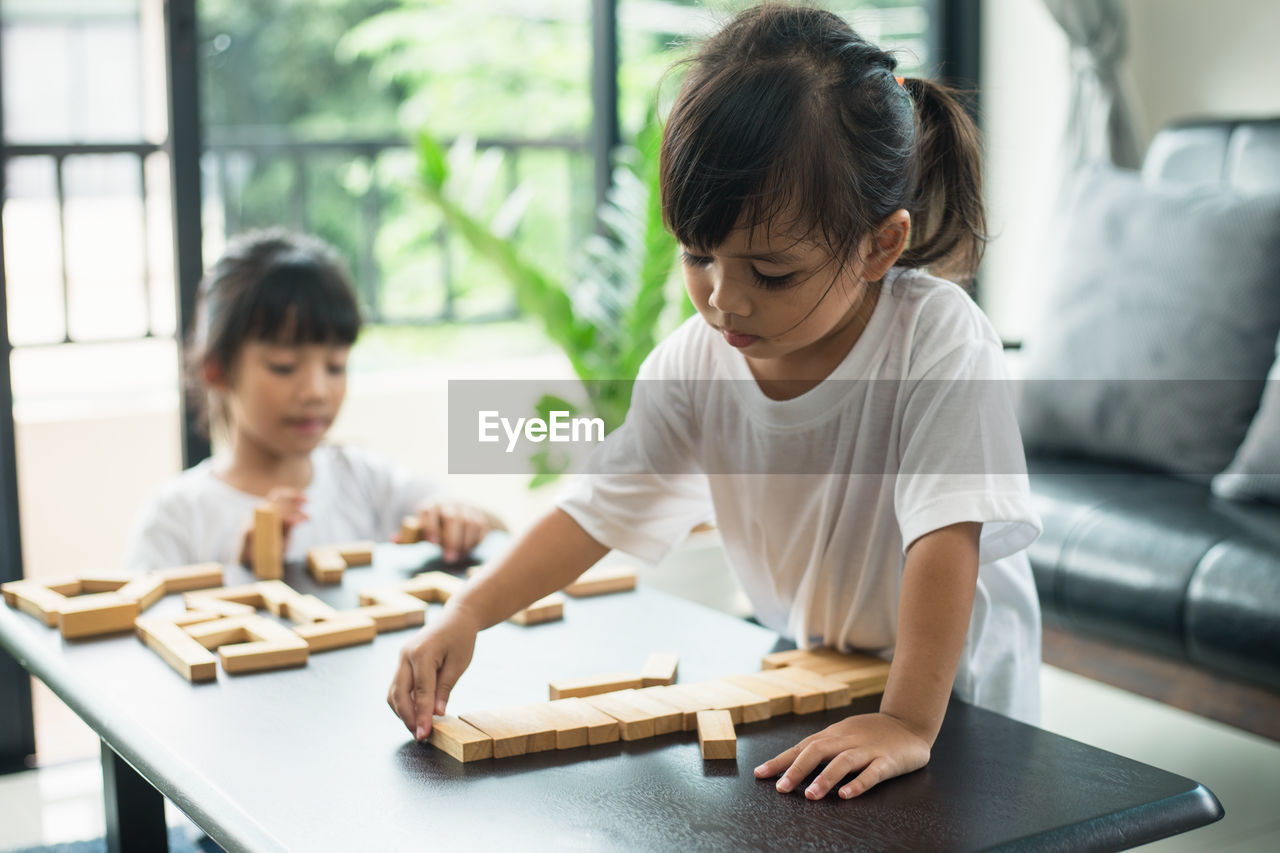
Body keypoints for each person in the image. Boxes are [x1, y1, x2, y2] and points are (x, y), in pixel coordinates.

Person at [388, 3, 1041, 801]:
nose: (724, 301)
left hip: (951, 693)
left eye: (771, 274)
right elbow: (597, 509)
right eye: (699, 256)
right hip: (826, 665)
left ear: (881, 245)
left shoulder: (938, 340)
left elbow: (946, 540)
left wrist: (908, 720)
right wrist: (469, 612)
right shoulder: (698, 362)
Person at [123, 228, 503, 572]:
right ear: (217, 369)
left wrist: (461, 520)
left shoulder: (365, 482)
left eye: (336, 366)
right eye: (284, 366)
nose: (317, 391)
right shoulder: (176, 520)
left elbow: (499, 534)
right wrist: (239, 574)